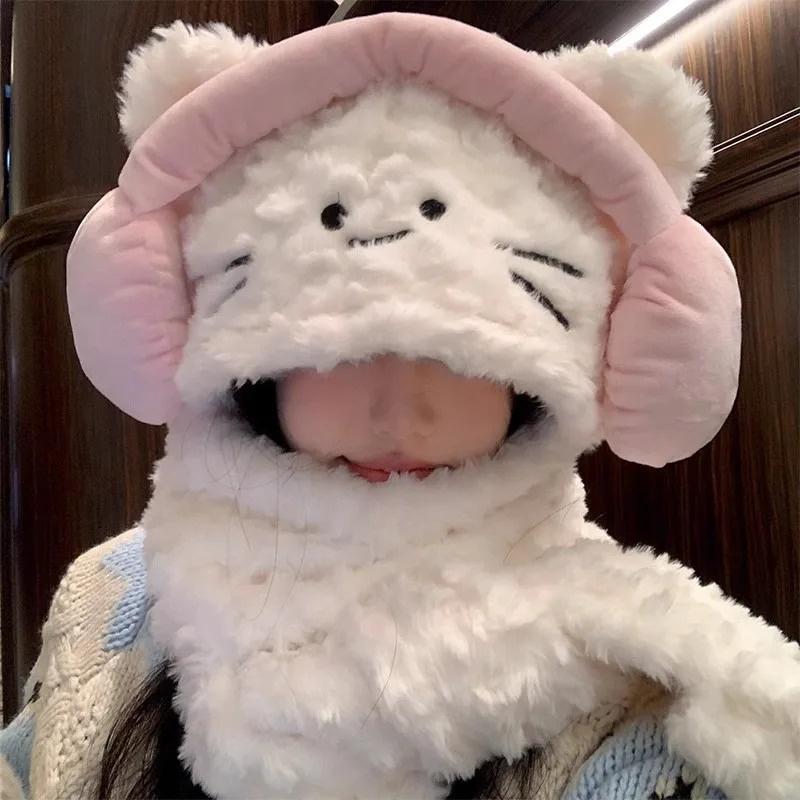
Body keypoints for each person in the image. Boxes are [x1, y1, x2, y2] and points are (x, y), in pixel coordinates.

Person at [2, 12, 798, 800]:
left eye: (455, 358)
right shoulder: (112, 595)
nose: (396, 417)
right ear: (252, 376)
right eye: (338, 355)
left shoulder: (634, 690)